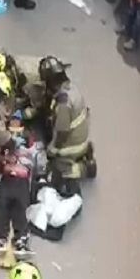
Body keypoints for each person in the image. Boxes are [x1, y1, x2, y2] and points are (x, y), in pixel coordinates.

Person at [39, 56, 91, 196]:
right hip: (79, 135)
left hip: (71, 145)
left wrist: (52, 150)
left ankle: (84, 167)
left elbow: (62, 133)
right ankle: (84, 153)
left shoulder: (63, 104)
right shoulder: (70, 88)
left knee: (55, 168)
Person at [0, 146, 33, 253]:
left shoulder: (31, 143)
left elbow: (39, 161)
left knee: (21, 208)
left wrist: (26, 155)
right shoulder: (3, 144)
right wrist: (4, 159)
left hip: (22, 180)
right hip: (6, 178)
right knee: (1, 205)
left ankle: (20, 239)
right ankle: (1, 238)